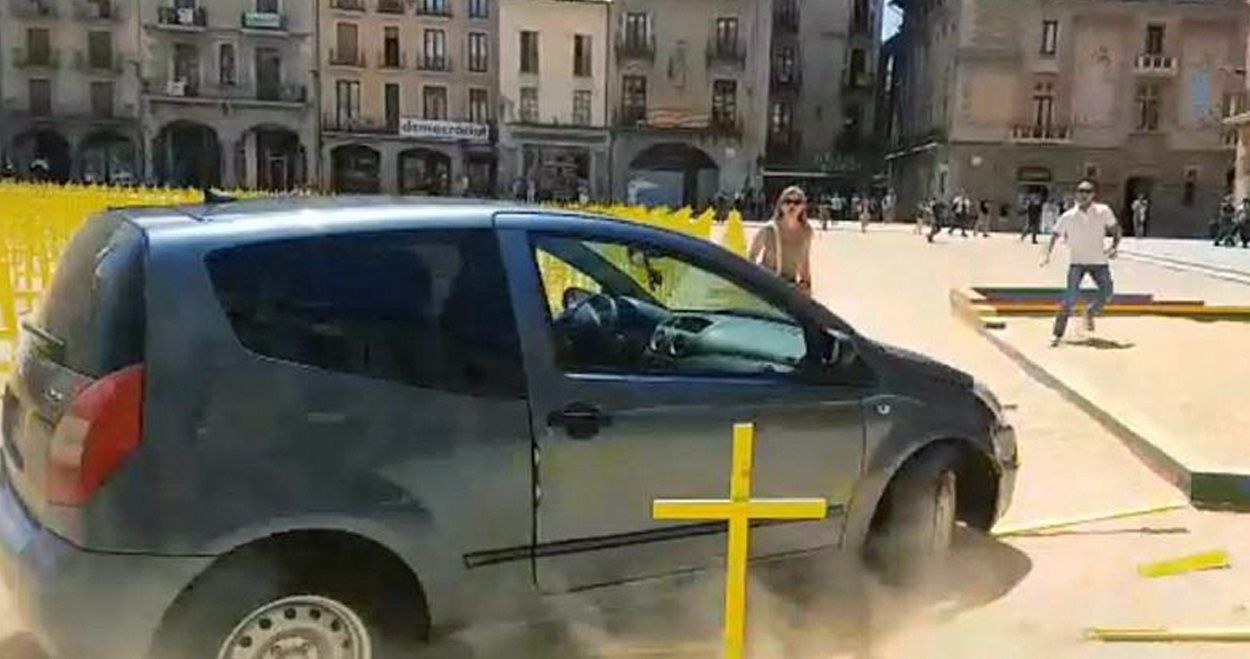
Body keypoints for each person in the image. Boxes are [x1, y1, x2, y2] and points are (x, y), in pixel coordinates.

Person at [1041, 180, 1122, 347]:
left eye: (1087, 191)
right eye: (1080, 191)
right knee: (1070, 298)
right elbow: (1055, 234)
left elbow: (1116, 230)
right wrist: (1047, 255)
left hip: (1099, 260)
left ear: (1093, 195)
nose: (1083, 195)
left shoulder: (1103, 211)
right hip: (1077, 261)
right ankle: (1057, 334)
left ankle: (1090, 312)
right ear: (1076, 194)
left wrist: (1114, 247)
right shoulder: (1068, 216)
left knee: (1107, 292)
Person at [748, 185, 813, 296]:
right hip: (768, 285)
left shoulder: (806, 231)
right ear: (780, 205)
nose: (792, 205)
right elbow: (751, 257)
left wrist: (806, 284)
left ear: (803, 206)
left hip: (791, 287)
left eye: (797, 202)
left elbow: (804, 261)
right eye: (787, 201)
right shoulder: (769, 229)